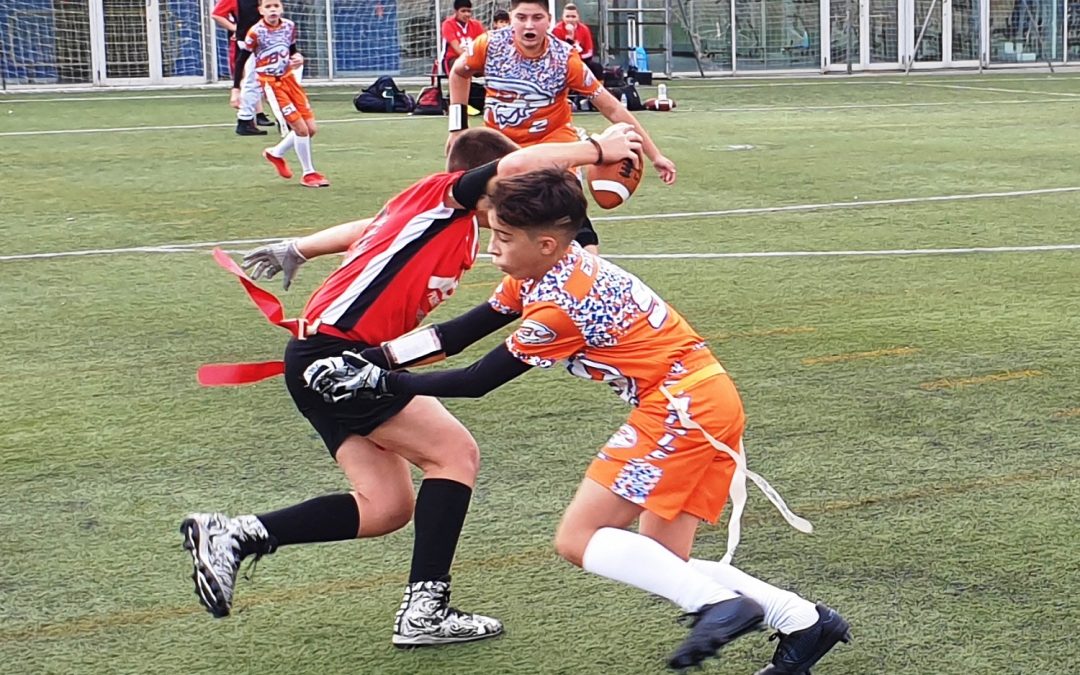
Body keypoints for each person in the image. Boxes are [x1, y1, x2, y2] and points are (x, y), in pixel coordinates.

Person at [304, 168, 852, 672]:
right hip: (701, 399)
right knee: (663, 562)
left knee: (579, 537)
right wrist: (373, 360)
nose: (491, 249)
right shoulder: (547, 267)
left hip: (681, 406)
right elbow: (459, 332)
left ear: (545, 243)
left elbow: (477, 380)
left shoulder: (562, 302)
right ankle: (805, 623)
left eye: (502, 239)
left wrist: (384, 381)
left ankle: (720, 605)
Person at [181, 126, 643, 647]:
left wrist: (300, 248)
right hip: (337, 356)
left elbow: (370, 227)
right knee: (454, 455)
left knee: (385, 507)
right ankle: (426, 610)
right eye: (514, 192)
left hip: (326, 359)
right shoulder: (443, 198)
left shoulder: (448, 225)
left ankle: (233, 534)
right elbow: (514, 173)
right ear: (486, 186)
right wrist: (600, 151)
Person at [446, 0, 677, 251]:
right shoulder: (489, 45)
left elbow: (611, 107)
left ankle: (587, 276)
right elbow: (459, 73)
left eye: (537, 17)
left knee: (578, 239)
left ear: (549, 20)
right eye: (521, 17)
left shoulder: (565, 59)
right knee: (491, 225)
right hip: (503, 153)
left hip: (555, 150)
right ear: (511, 18)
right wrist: (457, 128)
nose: (529, 25)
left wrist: (655, 155)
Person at [232, 0, 327, 187]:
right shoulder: (256, 32)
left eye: (276, 5)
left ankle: (275, 153)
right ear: (260, 10)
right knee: (301, 130)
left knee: (311, 129)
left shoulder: (289, 26)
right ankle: (309, 173)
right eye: (268, 6)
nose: (272, 9)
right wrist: (236, 89)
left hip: (289, 80)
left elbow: (292, 51)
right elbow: (241, 60)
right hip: (270, 84)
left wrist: (297, 58)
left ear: (282, 8)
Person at [213, 0, 273, 135]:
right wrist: (237, 28)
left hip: (266, 40)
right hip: (250, 40)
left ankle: (251, 117)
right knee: (253, 79)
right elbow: (217, 14)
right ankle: (246, 119)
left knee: (262, 79)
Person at [552, 3, 602, 80]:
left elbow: (589, 52)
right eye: (567, 16)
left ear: (578, 17)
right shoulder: (557, 30)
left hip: (581, 59)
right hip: (563, 61)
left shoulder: (584, 29)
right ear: (563, 17)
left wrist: (578, 59)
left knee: (597, 67)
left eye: (573, 16)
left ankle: (598, 89)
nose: (570, 19)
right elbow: (555, 51)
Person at [440, 0, 485, 76]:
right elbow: (457, 48)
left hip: (472, 58)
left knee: (489, 67)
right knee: (464, 66)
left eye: (469, 11)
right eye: (463, 11)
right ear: (456, 11)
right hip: (452, 59)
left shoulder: (476, 25)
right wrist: (472, 60)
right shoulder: (448, 24)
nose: (467, 14)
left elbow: (483, 44)